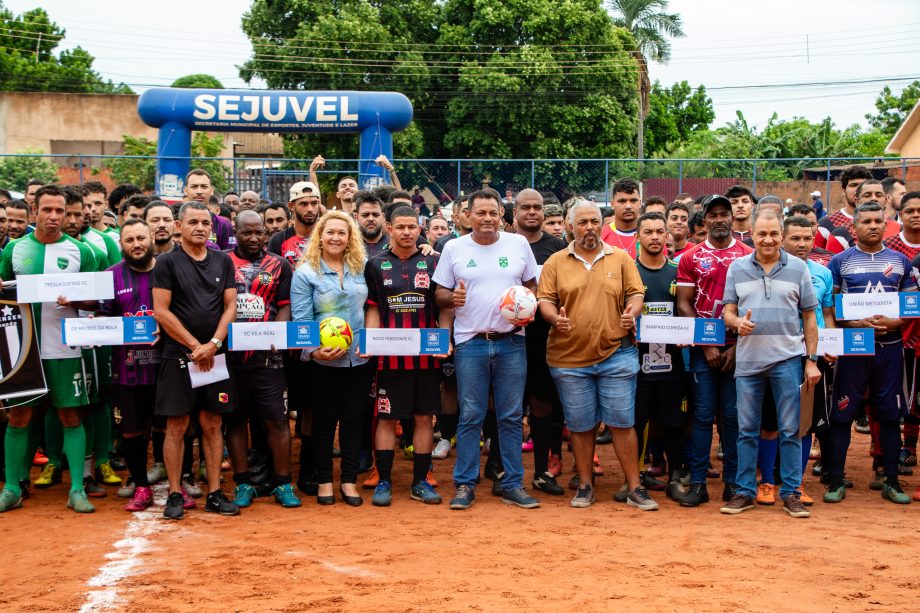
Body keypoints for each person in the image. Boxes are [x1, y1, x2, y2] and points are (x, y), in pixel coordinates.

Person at [537, 200, 654, 510]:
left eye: (594, 221)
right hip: (568, 359)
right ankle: (586, 485)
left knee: (622, 423)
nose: (589, 227)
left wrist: (633, 311)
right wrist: (554, 319)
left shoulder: (621, 259)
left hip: (617, 353)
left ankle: (634, 486)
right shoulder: (556, 262)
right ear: (570, 225)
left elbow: (636, 292)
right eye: (583, 222)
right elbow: (545, 300)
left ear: (602, 225)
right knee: (580, 424)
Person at [432, 188, 540, 510]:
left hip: (511, 342)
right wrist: (453, 299)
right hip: (470, 342)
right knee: (471, 417)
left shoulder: (518, 244)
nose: (488, 218)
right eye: (480, 212)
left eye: (493, 212)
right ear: (468, 216)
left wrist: (525, 305)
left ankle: (512, 483)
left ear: (501, 216)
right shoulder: (454, 248)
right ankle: (465, 485)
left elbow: (531, 284)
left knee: (510, 416)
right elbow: (439, 293)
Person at [0, 185, 98, 514]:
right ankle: (13, 487)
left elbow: (96, 300)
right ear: (34, 212)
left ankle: (76, 490)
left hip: (64, 347)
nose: (54, 217)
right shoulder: (13, 250)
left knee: (70, 416)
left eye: (61, 211)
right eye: (47, 210)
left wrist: (75, 299)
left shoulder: (80, 251)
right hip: (23, 349)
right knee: (19, 416)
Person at [720, 210, 820, 518]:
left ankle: (791, 493)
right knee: (746, 430)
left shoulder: (799, 268)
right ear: (750, 232)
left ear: (781, 234)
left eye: (774, 234)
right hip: (749, 362)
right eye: (762, 234)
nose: (768, 240)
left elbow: (809, 317)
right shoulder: (737, 268)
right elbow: (728, 311)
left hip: (787, 360)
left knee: (791, 430)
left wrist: (811, 361)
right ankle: (745, 492)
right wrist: (737, 323)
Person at [151, 201, 240, 520]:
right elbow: (161, 311)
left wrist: (213, 343)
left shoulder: (222, 261)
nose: (200, 227)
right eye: (193, 222)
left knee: (213, 423)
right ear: (179, 226)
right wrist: (194, 345)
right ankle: (175, 493)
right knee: (176, 425)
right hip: (179, 354)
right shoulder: (166, 262)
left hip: (214, 355)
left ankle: (215, 492)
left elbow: (231, 306)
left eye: (206, 222)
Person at [825, 202, 913, 505]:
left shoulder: (901, 261)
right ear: (855, 226)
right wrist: (855, 323)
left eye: (878, 220)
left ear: (886, 223)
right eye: (866, 221)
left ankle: (890, 479)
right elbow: (832, 305)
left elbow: (911, 304)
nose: (873, 226)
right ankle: (836, 480)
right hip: (853, 346)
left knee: (889, 414)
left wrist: (894, 322)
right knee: (843, 412)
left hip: (889, 347)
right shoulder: (839, 262)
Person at [363, 205, 453, 506]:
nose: (406, 232)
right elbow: (373, 307)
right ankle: (384, 481)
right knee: (387, 419)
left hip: (427, 357)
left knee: (424, 418)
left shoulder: (434, 261)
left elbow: (444, 306)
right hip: (390, 357)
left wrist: (445, 339)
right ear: (389, 228)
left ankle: (420, 482)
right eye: (400, 227)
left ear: (420, 228)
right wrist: (371, 341)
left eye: (411, 227)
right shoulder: (375, 264)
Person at [291, 211, 373, 507]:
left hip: (359, 360)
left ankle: (349, 482)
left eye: (342, 232)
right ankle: (325, 480)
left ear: (350, 237)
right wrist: (313, 350)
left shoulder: (363, 268)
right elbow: (301, 319)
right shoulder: (305, 273)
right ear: (320, 237)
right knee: (324, 422)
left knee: (353, 421)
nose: (336, 237)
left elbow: (372, 307)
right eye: (330, 232)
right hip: (322, 362)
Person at [676, 195, 753, 507]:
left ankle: (733, 483)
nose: (719, 219)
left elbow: (755, 305)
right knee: (703, 415)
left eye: (725, 214)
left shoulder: (749, 256)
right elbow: (683, 302)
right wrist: (706, 345)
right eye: (713, 215)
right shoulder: (690, 258)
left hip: (740, 350)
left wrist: (738, 348)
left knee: (733, 417)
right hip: (701, 351)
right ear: (703, 221)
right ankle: (697, 482)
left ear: (732, 218)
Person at [224, 211, 300, 509]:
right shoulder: (221, 262)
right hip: (231, 357)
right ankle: (243, 483)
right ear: (236, 232)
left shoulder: (279, 264)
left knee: (277, 421)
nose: (254, 238)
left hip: (269, 358)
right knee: (235, 420)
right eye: (247, 233)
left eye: (259, 233)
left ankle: (283, 483)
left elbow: (285, 306)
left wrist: (276, 335)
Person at [96, 220, 163, 512]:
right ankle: (141, 486)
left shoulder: (167, 269)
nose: (136, 244)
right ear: (121, 244)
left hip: (166, 367)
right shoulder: (111, 276)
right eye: (129, 240)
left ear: (151, 239)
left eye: (140, 238)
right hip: (126, 369)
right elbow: (104, 317)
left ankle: (179, 480)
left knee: (171, 426)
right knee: (132, 431)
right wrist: (94, 327)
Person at [513, 189, 568, 496]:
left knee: (543, 405)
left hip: (544, 339)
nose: (532, 212)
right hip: (509, 338)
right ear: (515, 213)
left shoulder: (558, 247)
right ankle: (499, 466)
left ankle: (543, 470)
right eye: (526, 207)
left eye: (537, 208)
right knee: (504, 406)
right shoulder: (504, 244)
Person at [633, 212, 688, 501]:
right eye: (648, 232)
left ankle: (675, 477)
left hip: (672, 360)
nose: (655, 236)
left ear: (668, 235)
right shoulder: (628, 271)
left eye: (659, 231)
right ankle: (636, 476)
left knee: (673, 420)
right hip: (636, 360)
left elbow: (689, 312)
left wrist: (686, 334)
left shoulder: (679, 271)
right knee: (638, 420)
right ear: (638, 237)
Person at [267, 181, 321, 267]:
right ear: (291, 206)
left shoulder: (328, 237)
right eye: (304, 204)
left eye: (314, 203)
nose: (310, 209)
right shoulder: (278, 240)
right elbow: (270, 274)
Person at [818, 165, 872, 244]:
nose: (859, 189)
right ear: (844, 190)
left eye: (863, 185)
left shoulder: (882, 222)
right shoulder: (826, 224)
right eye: (853, 185)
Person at [184, 169, 235, 250]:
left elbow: (230, 256)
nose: (199, 191)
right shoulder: (176, 221)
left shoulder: (224, 224)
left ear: (211, 190)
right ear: (186, 190)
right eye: (194, 187)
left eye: (204, 187)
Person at [601, 178, 640, 257]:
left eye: (633, 200)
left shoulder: (652, 235)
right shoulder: (601, 235)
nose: (628, 206)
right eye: (622, 201)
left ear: (640, 202)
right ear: (612, 204)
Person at [355, 190, 387, 257]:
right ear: (356, 217)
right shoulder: (348, 247)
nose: (371, 219)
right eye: (365, 215)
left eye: (375, 215)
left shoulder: (395, 246)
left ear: (383, 216)